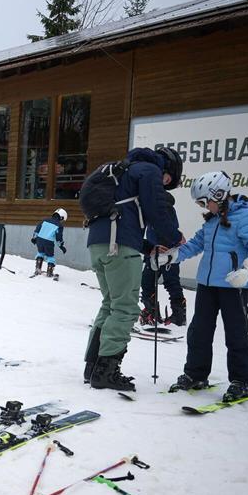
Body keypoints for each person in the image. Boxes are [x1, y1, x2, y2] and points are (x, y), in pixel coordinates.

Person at [157, 171, 248, 401]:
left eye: (203, 201)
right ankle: (196, 374)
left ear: (218, 194)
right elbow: (197, 244)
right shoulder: (213, 220)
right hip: (208, 284)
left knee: (236, 333)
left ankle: (242, 380)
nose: (203, 206)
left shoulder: (245, 215)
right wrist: (172, 256)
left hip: (234, 284)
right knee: (199, 330)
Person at [84, 146, 183, 392]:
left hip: (99, 243)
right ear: (167, 168)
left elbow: (126, 214)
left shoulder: (123, 170)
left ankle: (93, 367)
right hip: (118, 246)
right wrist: (173, 237)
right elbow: (155, 209)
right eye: (168, 179)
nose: (165, 183)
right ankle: (106, 371)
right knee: (126, 308)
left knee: (110, 304)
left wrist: (148, 247)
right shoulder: (149, 170)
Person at [140, 182, 186, 326]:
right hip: (155, 251)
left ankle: (173, 314)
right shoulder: (160, 208)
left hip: (166, 252)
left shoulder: (163, 208)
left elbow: (168, 229)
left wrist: (167, 247)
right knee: (154, 282)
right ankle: (156, 311)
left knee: (162, 283)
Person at [31, 208, 67, 278]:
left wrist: (34, 237)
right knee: (50, 256)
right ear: (61, 217)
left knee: (40, 253)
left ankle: (38, 268)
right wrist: (61, 246)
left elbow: (38, 228)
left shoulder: (44, 220)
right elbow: (58, 237)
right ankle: (49, 272)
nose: (62, 221)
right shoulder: (59, 225)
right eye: (62, 220)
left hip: (39, 240)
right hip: (48, 242)